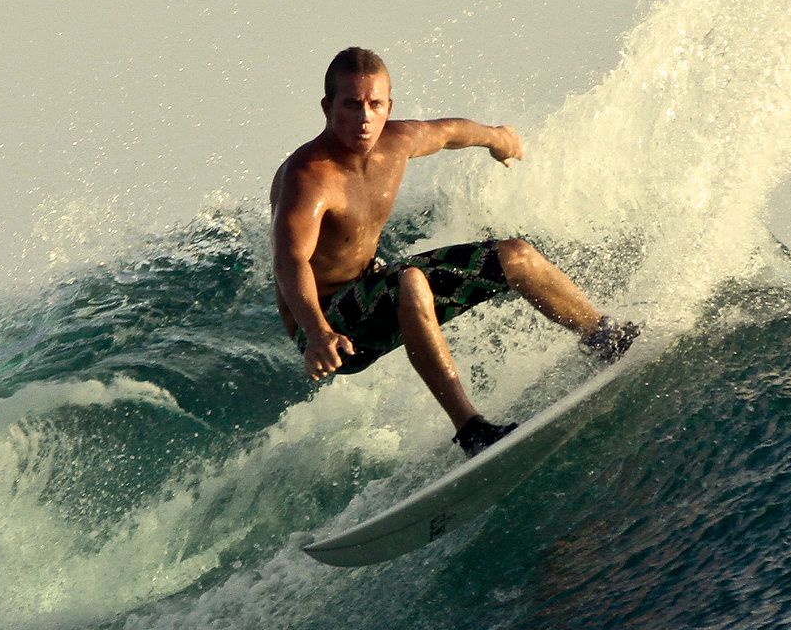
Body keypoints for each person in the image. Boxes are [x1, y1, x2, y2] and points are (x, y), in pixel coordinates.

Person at [271, 46, 637, 457]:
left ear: (389, 105)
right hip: (326, 322)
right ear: (327, 106)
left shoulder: (397, 141)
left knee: (515, 255)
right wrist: (318, 333)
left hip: (373, 287)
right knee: (408, 280)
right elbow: (290, 261)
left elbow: (448, 133)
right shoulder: (309, 176)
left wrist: (497, 138)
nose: (364, 117)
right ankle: (472, 430)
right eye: (352, 105)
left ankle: (605, 336)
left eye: (375, 104)